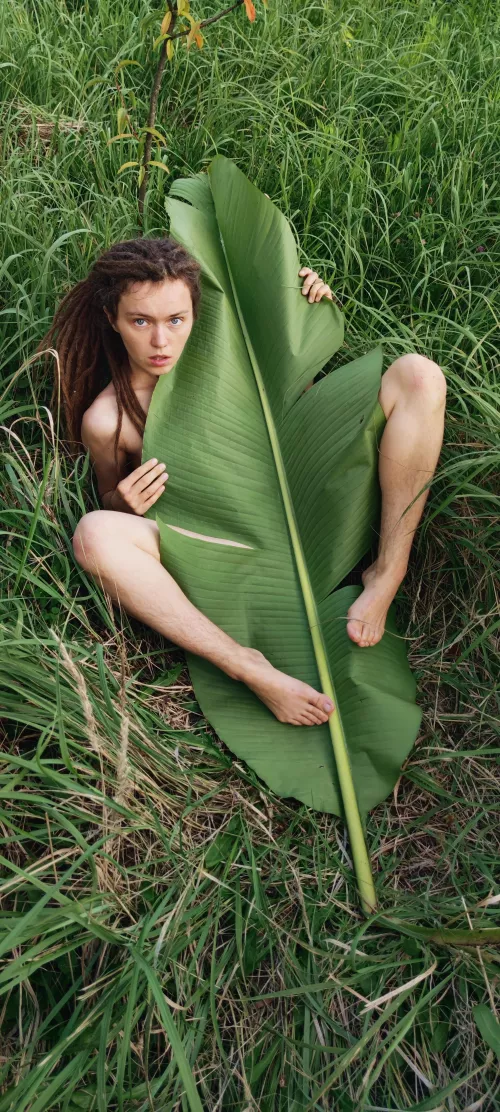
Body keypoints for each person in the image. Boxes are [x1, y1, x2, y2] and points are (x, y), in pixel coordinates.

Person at [37, 236, 446, 727]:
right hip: (229, 543)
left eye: (176, 320)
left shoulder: (238, 339)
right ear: (112, 319)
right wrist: (121, 502)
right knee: (95, 534)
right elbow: (107, 497)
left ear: (195, 310)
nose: (161, 342)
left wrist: (308, 309)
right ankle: (244, 663)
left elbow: (306, 387)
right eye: (140, 321)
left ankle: (388, 569)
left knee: (420, 376)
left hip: (313, 496)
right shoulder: (109, 420)